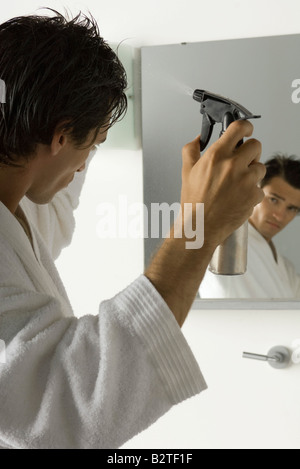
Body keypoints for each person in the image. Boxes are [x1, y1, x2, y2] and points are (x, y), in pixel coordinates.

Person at [0, 10, 265, 449]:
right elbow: (62, 402)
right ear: (61, 136)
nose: (84, 164)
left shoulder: (16, 208)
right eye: (94, 143)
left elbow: (53, 210)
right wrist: (199, 223)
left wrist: (94, 108)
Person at [199, 154, 300, 299]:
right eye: (274, 200)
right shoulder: (224, 241)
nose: (280, 216)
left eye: (291, 209)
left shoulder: (286, 269)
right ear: (255, 190)